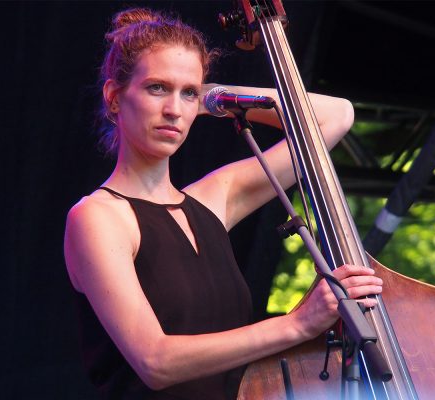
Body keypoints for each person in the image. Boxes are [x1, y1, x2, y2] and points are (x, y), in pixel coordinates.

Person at [64, 7, 383, 400]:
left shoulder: (215, 197)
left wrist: (215, 97)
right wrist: (297, 324)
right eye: (157, 88)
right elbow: (155, 362)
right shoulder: (98, 216)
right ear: (114, 97)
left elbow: (335, 116)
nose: (174, 110)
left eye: (188, 93)